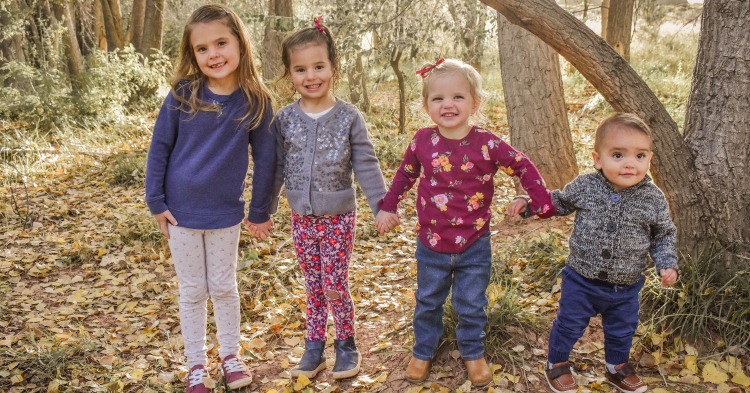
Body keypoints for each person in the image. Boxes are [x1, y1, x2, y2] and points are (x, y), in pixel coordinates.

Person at [375, 58, 556, 387]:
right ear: (426, 105)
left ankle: (473, 353)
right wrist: (388, 206)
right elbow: (405, 175)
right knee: (428, 301)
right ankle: (423, 351)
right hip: (431, 243)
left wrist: (540, 200)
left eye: (458, 97)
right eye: (438, 98)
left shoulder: (487, 143)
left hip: (475, 243)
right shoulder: (422, 141)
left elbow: (522, 165)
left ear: (475, 102)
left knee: (471, 304)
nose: (448, 104)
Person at [144, 4, 275, 392]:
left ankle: (232, 356)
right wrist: (156, 201)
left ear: (240, 43)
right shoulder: (183, 94)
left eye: (221, 43)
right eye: (202, 49)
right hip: (180, 213)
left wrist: (259, 210)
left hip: (224, 214)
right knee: (192, 290)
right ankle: (196, 365)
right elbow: (159, 148)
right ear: (192, 54)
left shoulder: (256, 100)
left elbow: (266, 161)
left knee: (222, 285)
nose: (213, 54)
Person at [509, 113, 679, 393]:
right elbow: (558, 202)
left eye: (639, 156)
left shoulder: (653, 197)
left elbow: (663, 234)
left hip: (626, 285)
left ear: (649, 158)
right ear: (598, 159)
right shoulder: (586, 186)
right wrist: (529, 204)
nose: (629, 163)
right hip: (582, 280)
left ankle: (616, 366)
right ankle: (557, 362)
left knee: (622, 329)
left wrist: (666, 263)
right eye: (617, 154)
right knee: (569, 324)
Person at [269, 17, 387, 380]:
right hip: (301, 217)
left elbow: (366, 164)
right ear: (290, 74)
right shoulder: (285, 119)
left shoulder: (349, 117)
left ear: (334, 67)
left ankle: (347, 344)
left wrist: (382, 206)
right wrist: (264, 210)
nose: (311, 76)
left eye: (318, 66)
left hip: (338, 217)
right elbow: (274, 167)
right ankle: (314, 347)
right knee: (313, 284)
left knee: (334, 284)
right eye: (300, 69)